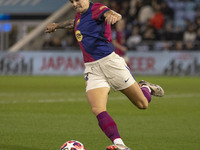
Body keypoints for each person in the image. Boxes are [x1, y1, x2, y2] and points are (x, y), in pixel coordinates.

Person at [45, 0, 164, 150]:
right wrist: (57, 25)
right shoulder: (79, 15)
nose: (75, 4)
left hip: (110, 63)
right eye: (72, 1)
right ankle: (120, 145)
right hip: (92, 68)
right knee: (97, 108)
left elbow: (110, 13)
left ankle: (145, 87)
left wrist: (113, 15)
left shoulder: (97, 8)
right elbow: (73, 22)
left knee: (142, 104)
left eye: (77, 0)